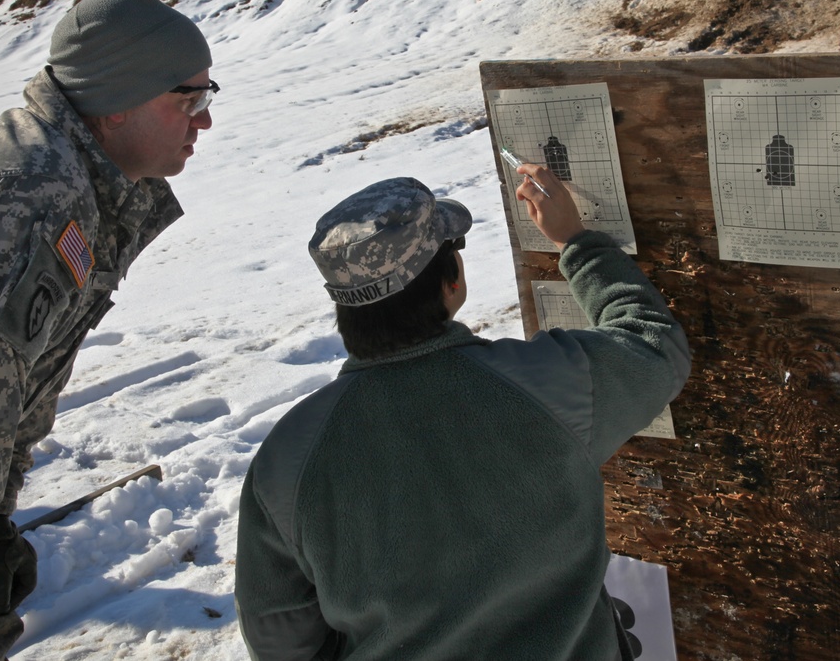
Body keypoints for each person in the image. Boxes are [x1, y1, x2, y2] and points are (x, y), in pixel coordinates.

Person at [0, 0, 216, 660]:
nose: (204, 122)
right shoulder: (27, 192)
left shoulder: (79, 180)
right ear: (116, 103)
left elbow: (5, 398)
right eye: (190, 99)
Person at [234, 168, 691, 660]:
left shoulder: (286, 458)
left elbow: (279, 638)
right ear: (451, 281)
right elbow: (655, 346)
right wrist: (577, 242)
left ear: (345, 306)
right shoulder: (546, 385)